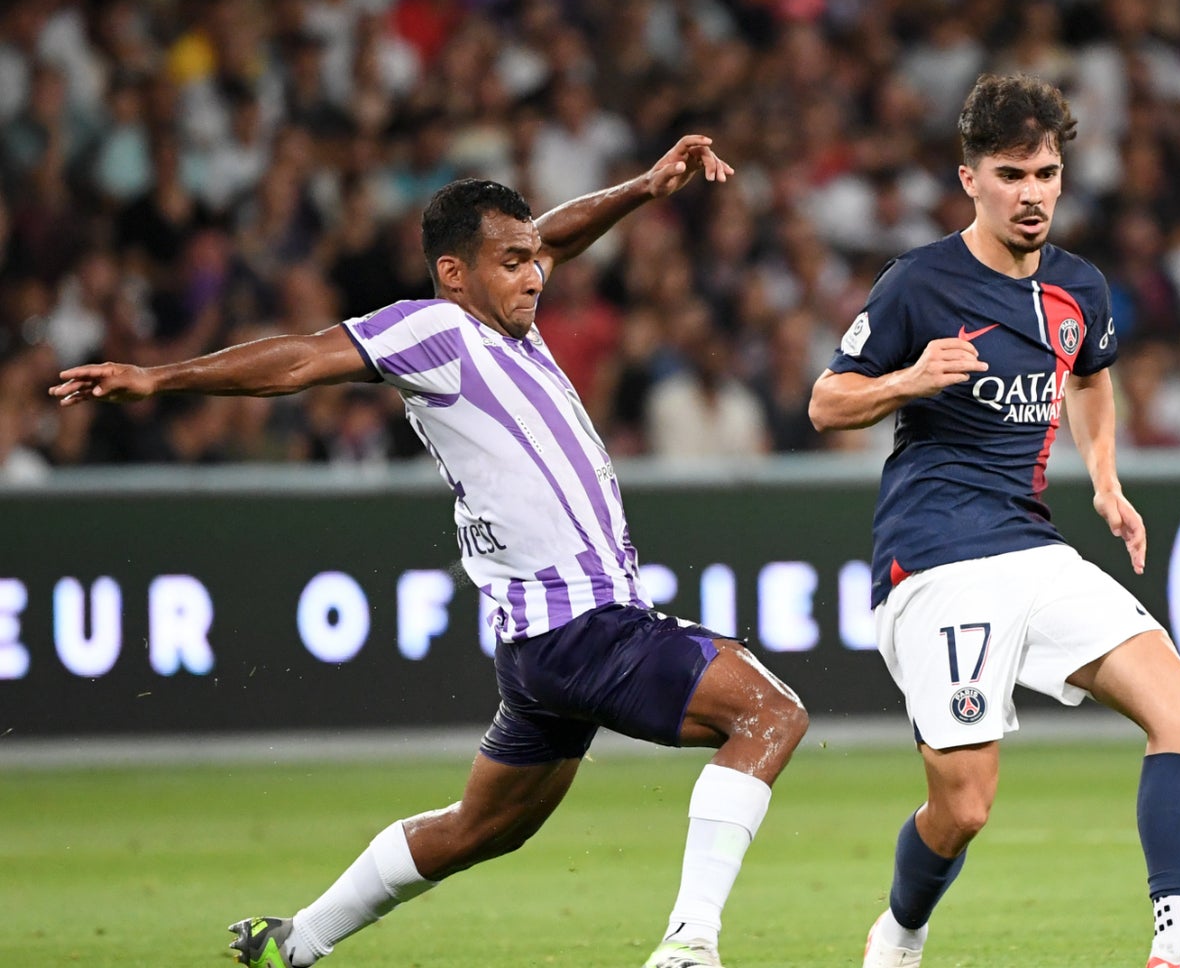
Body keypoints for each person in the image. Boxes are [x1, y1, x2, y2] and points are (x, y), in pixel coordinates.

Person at [51, 140, 810, 967]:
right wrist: (161, 380)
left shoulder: (511, 324)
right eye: (512, 261)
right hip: (581, 622)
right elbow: (303, 358)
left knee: (482, 827)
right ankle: (689, 944)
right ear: (454, 273)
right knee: (769, 714)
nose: (535, 275)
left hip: (544, 644)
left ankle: (294, 941)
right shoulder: (437, 330)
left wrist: (643, 188)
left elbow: (553, 238)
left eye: (534, 260)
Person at [809, 74, 1180, 968]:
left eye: (1045, 173)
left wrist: (1106, 483)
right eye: (1010, 175)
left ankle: (1176, 945)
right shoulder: (917, 284)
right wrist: (906, 381)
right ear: (970, 180)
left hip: (1033, 548)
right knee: (963, 807)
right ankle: (901, 930)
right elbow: (826, 405)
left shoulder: (1081, 287)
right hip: (936, 556)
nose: (1031, 194)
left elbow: (1091, 377)